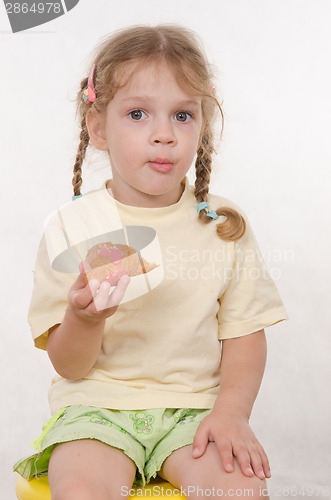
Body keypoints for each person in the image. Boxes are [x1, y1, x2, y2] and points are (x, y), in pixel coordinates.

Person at [14, 24, 287, 500]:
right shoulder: (72, 229)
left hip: (194, 412)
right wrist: (83, 317)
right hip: (96, 409)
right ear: (98, 128)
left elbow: (244, 336)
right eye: (138, 114)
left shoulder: (224, 225)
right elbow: (71, 366)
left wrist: (230, 413)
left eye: (183, 115)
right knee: (79, 488)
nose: (164, 135)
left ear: (202, 127)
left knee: (243, 490)